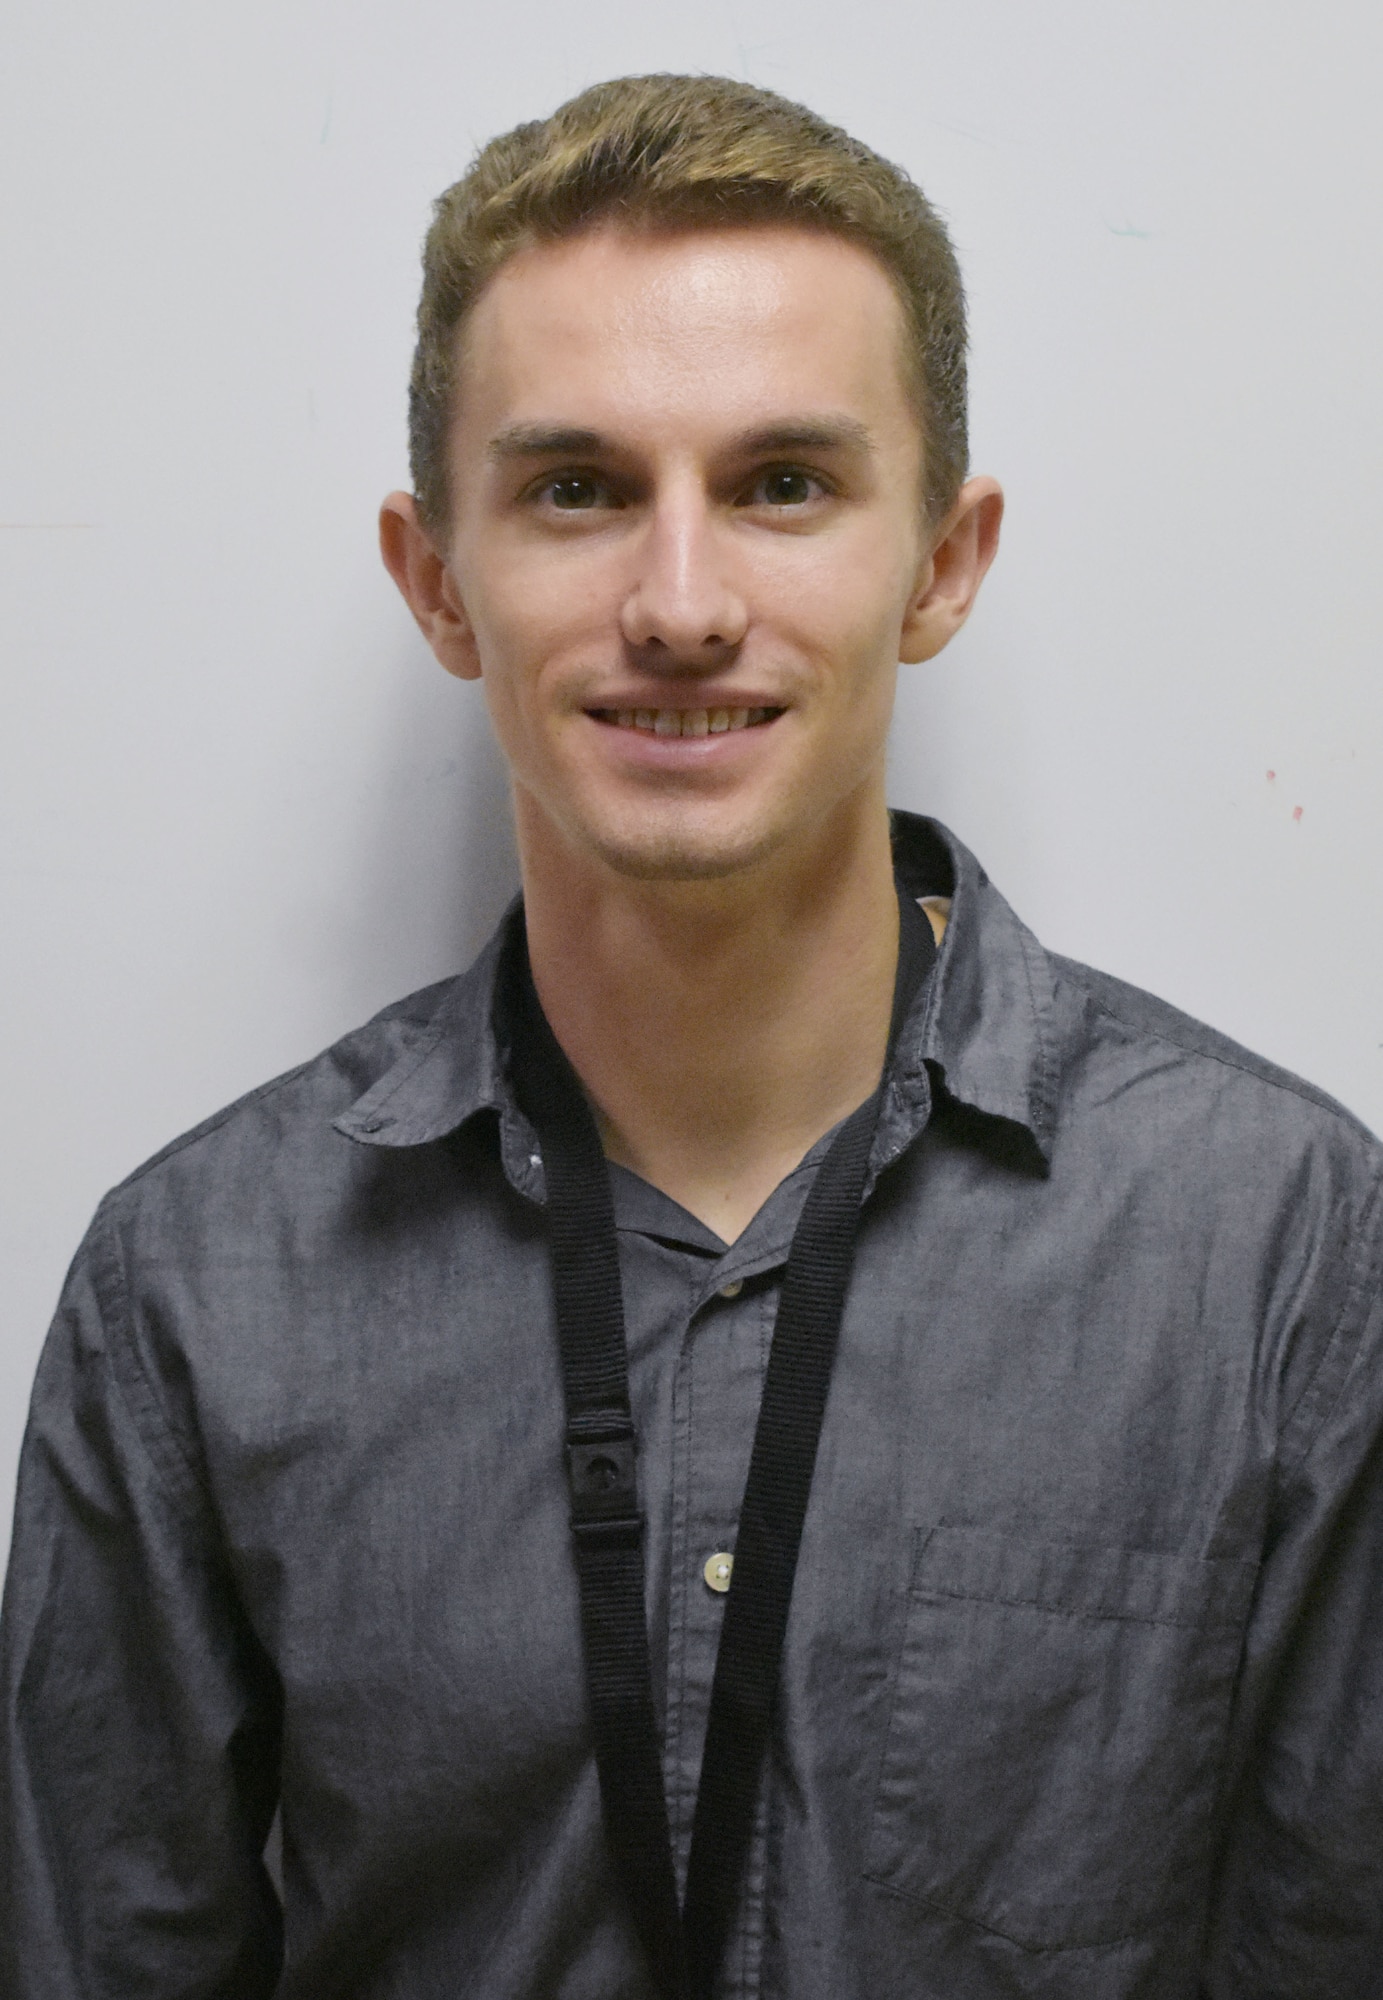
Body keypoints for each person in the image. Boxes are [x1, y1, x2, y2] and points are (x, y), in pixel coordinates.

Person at [2, 71, 1381, 2000]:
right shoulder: (190, 1293)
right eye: (577, 489)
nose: (678, 603)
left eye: (781, 485)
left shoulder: (1286, 1248)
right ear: (436, 581)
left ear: (944, 563)